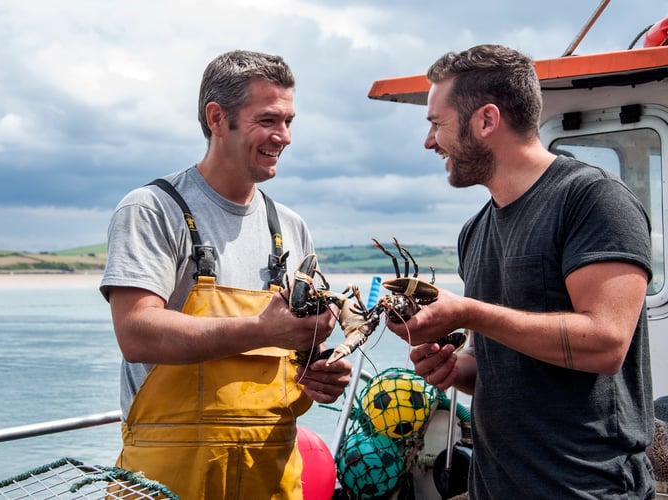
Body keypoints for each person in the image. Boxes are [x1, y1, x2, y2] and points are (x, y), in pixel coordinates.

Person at [387, 44, 655, 498]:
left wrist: (469, 312)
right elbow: (495, 365)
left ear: (486, 120)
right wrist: (454, 369)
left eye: (436, 124)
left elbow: (607, 344)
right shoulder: (475, 231)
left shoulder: (592, 200)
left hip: (586, 488)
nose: (429, 141)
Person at [100, 49, 351, 499]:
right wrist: (260, 329)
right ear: (217, 117)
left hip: (270, 476)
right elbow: (136, 333)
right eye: (269, 120)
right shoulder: (153, 209)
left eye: (289, 121)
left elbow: (295, 354)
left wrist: (319, 374)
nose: (285, 136)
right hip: (167, 480)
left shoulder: (291, 228)